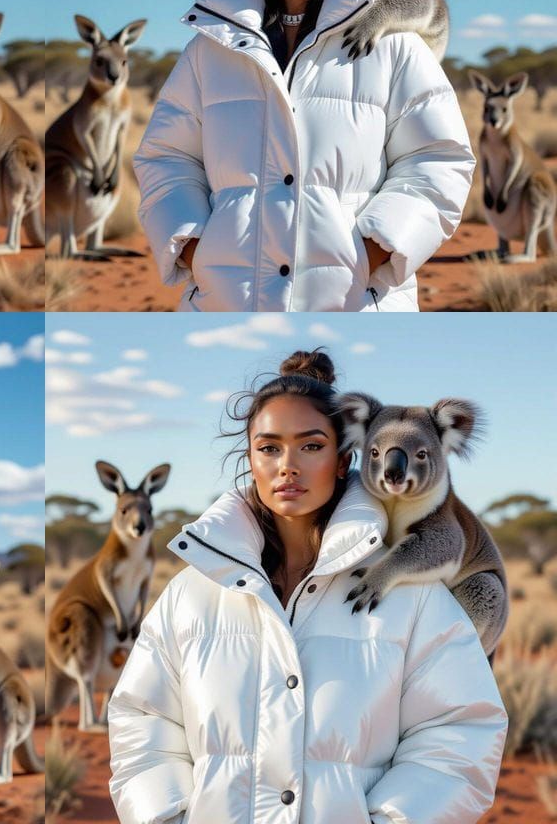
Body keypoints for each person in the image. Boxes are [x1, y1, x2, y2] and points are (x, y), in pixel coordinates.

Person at [107, 350, 507, 824]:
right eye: (269, 447)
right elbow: (141, 721)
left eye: (311, 446)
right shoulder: (191, 593)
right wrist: (166, 817)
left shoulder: (410, 588)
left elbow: (458, 735)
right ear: (250, 458)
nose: (288, 466)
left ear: (342, 461)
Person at [133, 0, 474, 311]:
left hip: (353, 301)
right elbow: (166, 157)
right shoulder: (210, 48)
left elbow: (439, 160)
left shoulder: (393, 40)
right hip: (227, 303)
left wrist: (374, 253)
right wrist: (199, 253)